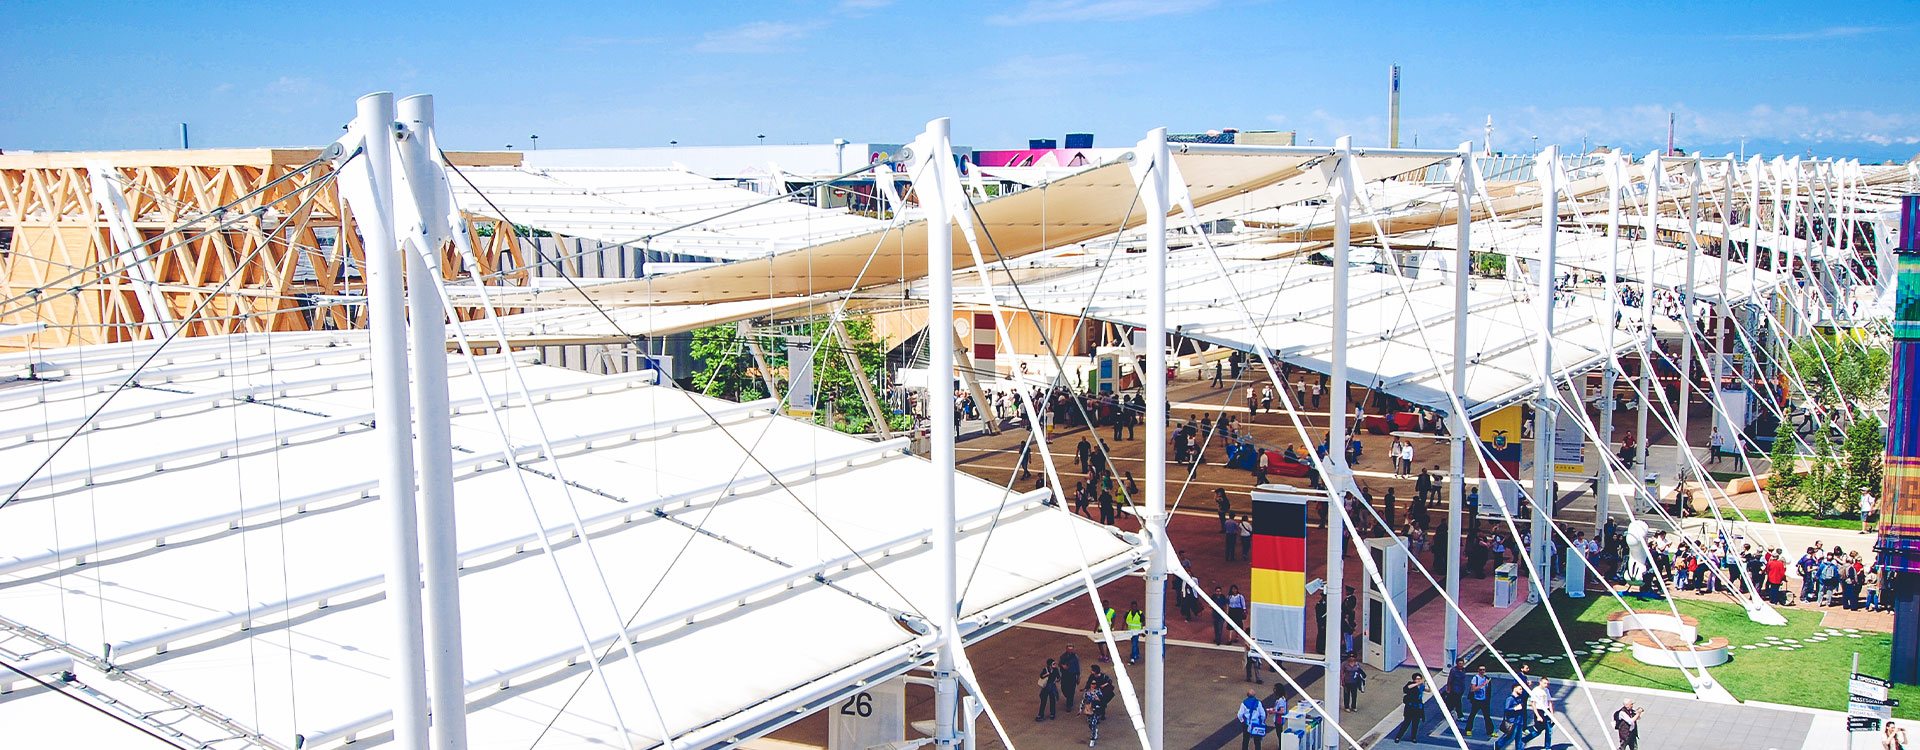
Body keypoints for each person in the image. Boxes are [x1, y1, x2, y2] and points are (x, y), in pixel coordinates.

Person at [1389, 673, 1428, 742]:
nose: (1419, 680)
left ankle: (1413, 737)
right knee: (1406, 722)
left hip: (1418, 707)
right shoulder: (1410, 684)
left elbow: (1428, 690)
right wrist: (1417, 684)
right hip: (1410, 707)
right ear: (1414, 680)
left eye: (1420, 679)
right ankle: (1398, 736)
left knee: (1415, 723)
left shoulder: (1422, 686)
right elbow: (1407, 688)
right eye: (1417, 679)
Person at [1493, 684, 1528, 750]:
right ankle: (1498, 744)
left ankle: (1519, 748)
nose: (1521, 691)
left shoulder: (1520, 698)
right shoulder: (1510, 699)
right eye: (1520, 689)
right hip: (1513, 721)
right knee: (1510, 736)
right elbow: (1506, 709)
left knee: (1519, 737)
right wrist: (1515, 708)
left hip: (1520, 720)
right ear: (1515, 689)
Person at [1463, 665, 1494, 737]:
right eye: (1481, 670)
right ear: (1478, 670)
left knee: (1487, 716)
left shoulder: (1487, 678)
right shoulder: (1475, 678)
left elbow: (1488, 690)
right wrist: (1483, 684)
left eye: (1483, 670)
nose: (1482, 671)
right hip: (1476, 700)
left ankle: (1490, 731)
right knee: (1472, 715)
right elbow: (1473, 689)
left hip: (1484, 700)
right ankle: (1468, 729)